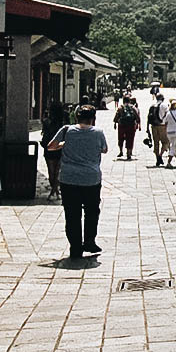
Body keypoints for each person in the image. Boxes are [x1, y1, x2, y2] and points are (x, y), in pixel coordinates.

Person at [46, 104, 108, 259]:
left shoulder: (67, 130)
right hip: (91, 179)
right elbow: (104, 149)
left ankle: (75, 247)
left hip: (69, 179)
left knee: (72, 214)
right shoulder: (98, 132)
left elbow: (51, 147)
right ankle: (89, 241)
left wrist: (65, 144)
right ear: (93, 118)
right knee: (92, 212)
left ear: (76, 117)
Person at [39, 101, 66, 200]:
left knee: (51, 171)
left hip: (49, 148)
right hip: (60, 148)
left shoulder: (46, 121)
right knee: (57, 171)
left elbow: (44, 134)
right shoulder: (63, 122)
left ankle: (53, 191)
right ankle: (55, 191)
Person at [148, 92, 169, 166]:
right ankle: (160, 155)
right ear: (162, 98)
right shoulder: (164, 105)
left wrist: (147, 129)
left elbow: (149, 118)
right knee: (166, 142)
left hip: (154, 126)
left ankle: (157, 158)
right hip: (162, 126)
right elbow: (167, 115)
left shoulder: (152, 106)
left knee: (156, 143)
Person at [164, 99, 176, 168]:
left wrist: (165, 131)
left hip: (169, 132)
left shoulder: (168, 113)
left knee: (173, 146)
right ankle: (169, 162)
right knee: (174, 146)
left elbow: (165, 122)